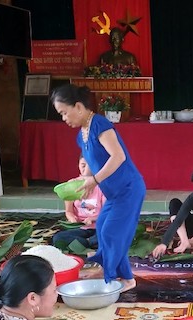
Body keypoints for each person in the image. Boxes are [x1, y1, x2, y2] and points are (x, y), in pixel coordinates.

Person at [51, 84, 146, 292]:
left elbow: (118, 157)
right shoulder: (81, 135)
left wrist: (94, 180)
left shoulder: (100, 125)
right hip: (114, 192)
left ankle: (109, 272)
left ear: (78, 106)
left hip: (128, 188)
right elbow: (95, 165)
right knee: (103, 228)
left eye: (64, 113)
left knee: (112, 232)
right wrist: (84, 183)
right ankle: (126, 278)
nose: (64, 118)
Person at [52, 156, 106, 251]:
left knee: (113, 233)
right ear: (78, 166)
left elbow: (107, 212)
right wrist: (72, 218)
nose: (86, 169)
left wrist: (93, 218)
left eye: (90, 165)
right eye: (83, 165)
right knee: (58, 238)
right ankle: (90, 242)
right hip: (80, 228)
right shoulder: (71, 185)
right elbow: (69, 211)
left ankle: (86, 243)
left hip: (100, 227)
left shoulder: (103, 185)